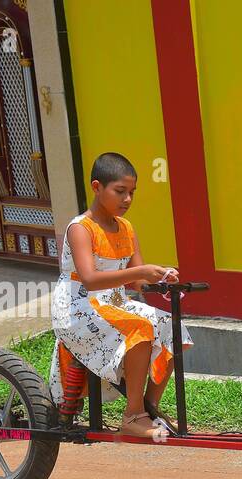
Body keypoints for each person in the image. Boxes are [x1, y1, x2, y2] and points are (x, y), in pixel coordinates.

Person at [49, 152, 190, 438]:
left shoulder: (126, 228)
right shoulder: (80, 228)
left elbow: (138, 280)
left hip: (113, 305)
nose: (127, 199)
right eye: (120, 191)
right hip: (78, 308)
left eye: (132, 193)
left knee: (172, 327)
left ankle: (148, 405)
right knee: (138, 329)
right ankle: (132, 415)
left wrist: (160, 277)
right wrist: (142, 273)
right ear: (97, 187)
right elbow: (89, 279)